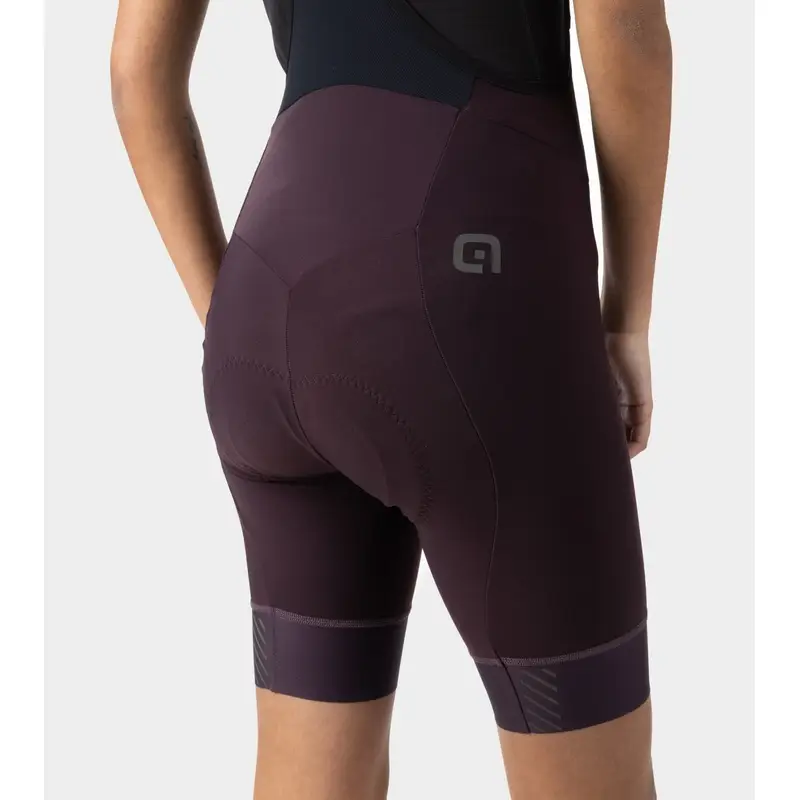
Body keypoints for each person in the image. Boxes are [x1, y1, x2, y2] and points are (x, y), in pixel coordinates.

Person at [110, 0, 672, 797]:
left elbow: (136, 74)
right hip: (475, 291)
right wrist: (627, 320)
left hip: (267, 298)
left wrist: (231, 316)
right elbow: (628, 37)